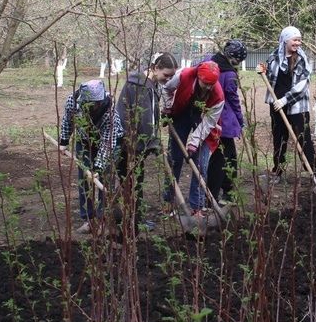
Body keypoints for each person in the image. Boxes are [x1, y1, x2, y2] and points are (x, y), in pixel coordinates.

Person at [116, 52, 177, 232]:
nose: (168, 79)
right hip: (129, 142)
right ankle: (130, 219)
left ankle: (134, 217)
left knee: (134, 180)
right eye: (166, 75)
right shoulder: (142, 86)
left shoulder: (149, 84)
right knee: (132, 180)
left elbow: (150, 114)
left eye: (172, 76)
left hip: (134, 141)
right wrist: (153, 143)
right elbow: (144, 118)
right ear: (155, 68)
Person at [161, 61, 224, 217]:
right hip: (181, 113)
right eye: (205, 83)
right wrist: (168, 106)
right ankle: (168, 200)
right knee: (174, 159)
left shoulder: (218, 96)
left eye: (212, 84)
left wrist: (194, 141)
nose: (209, 87)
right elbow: (166, 88)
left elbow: (209, 122)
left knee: (200, 164)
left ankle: (196, 207)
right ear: (198, 76)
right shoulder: (184, 75)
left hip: (203, 119)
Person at [59, 79, 123, 233]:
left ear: (100, 102)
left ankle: (103, 219)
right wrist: (64, 140)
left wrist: (99, 167)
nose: (90, 107)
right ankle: (89, 219)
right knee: (84, 180)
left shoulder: (110, 111)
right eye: (87, 103)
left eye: (94, 105)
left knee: (105, 178)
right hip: (84, 140)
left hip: (110, 141)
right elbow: (68, 121)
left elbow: (108, 143)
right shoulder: (73, 102)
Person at [259, 26, 316, 184]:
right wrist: (263, 71)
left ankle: (313, 173)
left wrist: (284, 100)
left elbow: (302, 85)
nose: (298, 43)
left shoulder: (302, 59)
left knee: (303, 140)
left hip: (296, 106)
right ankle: (277, 172)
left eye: (299, 40)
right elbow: (271, 76)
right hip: (276, 105)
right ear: (285, 40)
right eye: (295, 40)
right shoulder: (274, 56)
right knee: (279, 139)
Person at [201, 40, 247, 204]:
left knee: (219, 157)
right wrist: (241, 121)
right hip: (224, 121)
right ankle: (218, 195)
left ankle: (217, 193)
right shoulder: (229, 74)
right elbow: (233, 100)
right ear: (234, 58)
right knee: (225, 158)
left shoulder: (210, 62)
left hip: (207, 117)